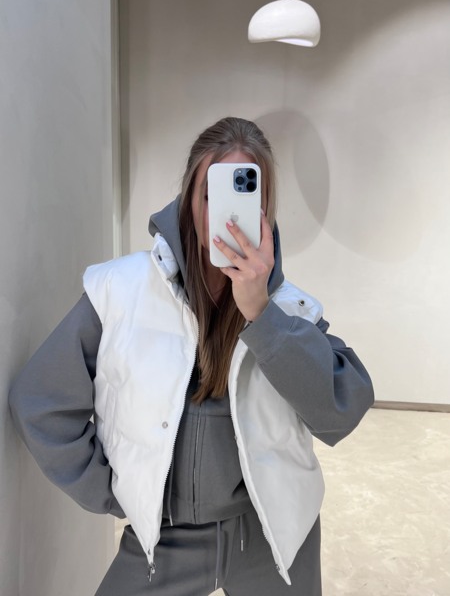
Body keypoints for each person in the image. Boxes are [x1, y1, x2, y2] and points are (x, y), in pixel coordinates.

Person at [9, 117, 374, 596]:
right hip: (166, 538)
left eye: (247, 199)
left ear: (265, 211)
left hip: (273, 536)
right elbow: (40, 400)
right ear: (188, 199)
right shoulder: (120, 289)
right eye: (211, 196)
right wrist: (117, 491)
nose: (227, 218)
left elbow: (341, 411)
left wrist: (262, 315)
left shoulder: (289, 309)